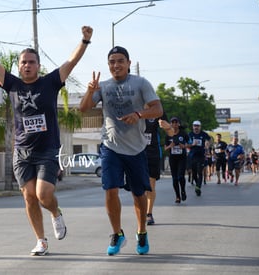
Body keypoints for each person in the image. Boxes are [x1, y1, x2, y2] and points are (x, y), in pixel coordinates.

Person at [0, 24, 93, 256]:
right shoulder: (12, 84)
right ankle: (41, 240)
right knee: (29, 196)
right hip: (21, 151)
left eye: (31, 62)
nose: (27, 65)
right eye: (23, 62)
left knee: (43, 195)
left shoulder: (50, 82)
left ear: (38, 65)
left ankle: (55, 213)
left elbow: (70, 63)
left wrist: (84, 41)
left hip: (48, 149)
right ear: (19, 66)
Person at [79, 46, 163, 256]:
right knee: (110, 189)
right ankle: (117, 234)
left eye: (120, 61)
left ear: (128, 63)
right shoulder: (103, 86)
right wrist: (90, 91)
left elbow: (158, 109)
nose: (115, 65)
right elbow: (83, 108)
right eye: (112, 62)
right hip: (110, 147)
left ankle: (141, 231)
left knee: (139, 194)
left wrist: (139, 114)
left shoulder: (141, 83)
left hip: (136, 149)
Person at [143, 112, 173, 225]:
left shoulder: (157, 110)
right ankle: (141, 211)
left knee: (150, 186)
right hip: (135, 151)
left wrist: (168, 127)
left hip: (152, 153)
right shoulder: (133, 105)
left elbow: (171, 133)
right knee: (139, 187)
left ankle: (148, 213)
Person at [164, 117, 190, 203]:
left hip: (182, 158)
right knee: (174, 178)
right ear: (170, 124)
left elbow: (190, 143)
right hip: (173, 158)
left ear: (178, 124)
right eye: (172, 122)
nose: (174, 124)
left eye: (176, 122)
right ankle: (177, 196)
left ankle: (183, 190)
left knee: (181, 177)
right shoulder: (168, 135)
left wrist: (184, 146)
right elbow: (165, 148)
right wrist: (170, 146)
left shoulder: (183, 133)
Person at [187, 120, 211, 196]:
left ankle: (198, 187)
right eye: (195, 126)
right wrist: (192, 144)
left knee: (199, 172)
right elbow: (186, 144)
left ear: (200, 127)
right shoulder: (190, 134)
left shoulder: (203, 134)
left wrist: (207, 144)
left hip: (201, 156)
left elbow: (210, 140)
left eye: (197, 126)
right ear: (193, 126)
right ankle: (197, 183)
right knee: (194, 173)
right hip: (192, 156)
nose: (196, 127)